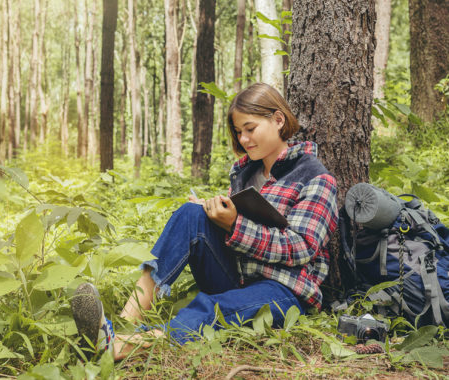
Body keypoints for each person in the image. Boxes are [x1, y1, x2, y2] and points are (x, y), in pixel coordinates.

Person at [71, 82, 339, 360]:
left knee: (214, 308)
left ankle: (121, 345)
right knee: (190, 213)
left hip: (283, 291)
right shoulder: (245, 173)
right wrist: (211, 211)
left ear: (278, 119)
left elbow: (301, 248)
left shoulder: (316, 178)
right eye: (239, 132)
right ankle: (128, 319)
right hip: (236, 275)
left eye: (250, 129)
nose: (244, 139)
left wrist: (235, 225)